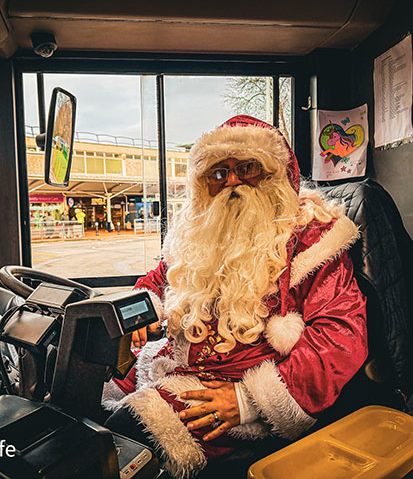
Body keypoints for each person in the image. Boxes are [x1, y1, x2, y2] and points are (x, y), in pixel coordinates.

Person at [102, 115, 368, 478]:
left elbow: (341, 338)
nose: (231, 181)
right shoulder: (198, 235)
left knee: (126, 433)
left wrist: (247, 401)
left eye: (246, 168)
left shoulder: (312, 242)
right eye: (218, 173)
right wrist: (136, 314)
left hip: (237, 393)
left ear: (272, 175)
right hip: (174, 363)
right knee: (87, 389)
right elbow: (155, 281)